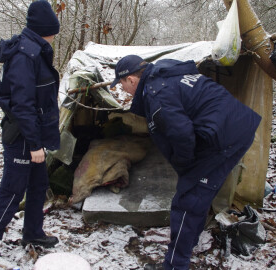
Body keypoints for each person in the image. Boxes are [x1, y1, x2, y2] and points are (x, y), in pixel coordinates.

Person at [109, 55, 261, 270]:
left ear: (132, 80)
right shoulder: (165, 74)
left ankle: (174, 265)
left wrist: (186, 165)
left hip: (222, 137)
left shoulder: (157, 93)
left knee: (187, 200)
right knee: (198, 192)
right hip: (236, 125)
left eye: (123, 84)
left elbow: (181, 134)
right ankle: (190, 241)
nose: (123, 90)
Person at [0, 0, 61, 260]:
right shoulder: (26, 55)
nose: (55, 34)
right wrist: (34, 144)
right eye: (54, 28)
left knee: (38, 184)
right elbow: (22, 104)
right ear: (46, 28)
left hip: (32, 131)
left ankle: (32, 232)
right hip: (22, 134)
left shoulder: (34, 48)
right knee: (11, 192)